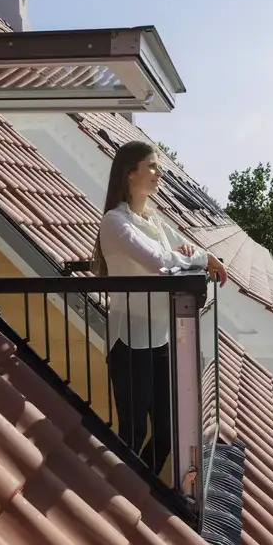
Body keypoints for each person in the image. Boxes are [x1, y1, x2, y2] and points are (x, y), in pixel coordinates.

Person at [92, 140, 228, 475]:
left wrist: (195, 255)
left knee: (168, 432)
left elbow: (178, 251)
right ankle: (124, 489)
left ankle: (141, 489)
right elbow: (159, 261)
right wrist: (200, 259)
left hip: (161, 339)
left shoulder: (152, 220)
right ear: (130, 173)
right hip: (130, 341)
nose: (158, 173)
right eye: (151, 166)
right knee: (134, 431)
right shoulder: (115, 222)